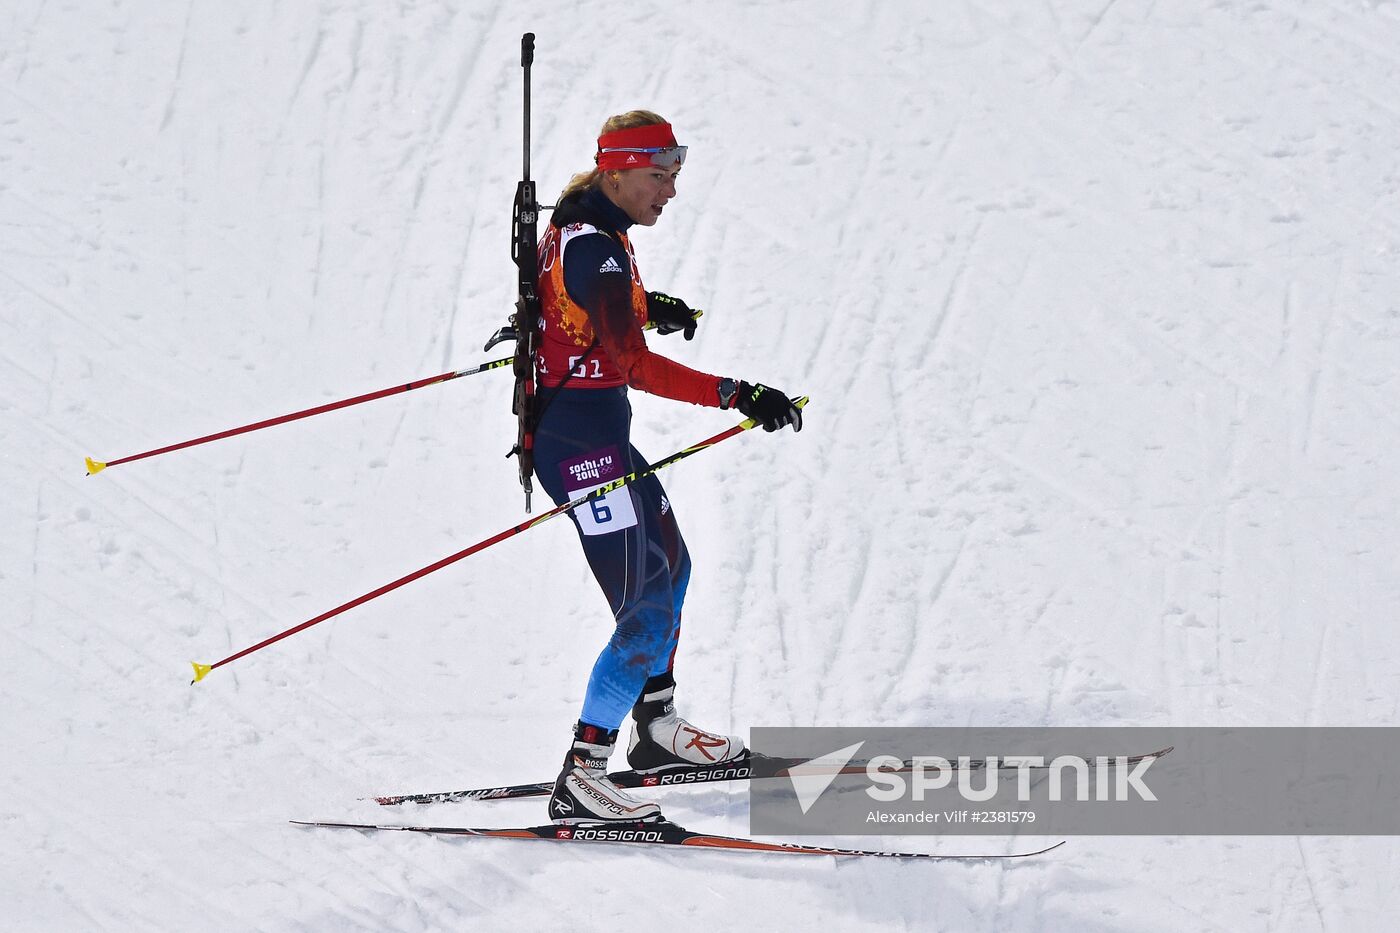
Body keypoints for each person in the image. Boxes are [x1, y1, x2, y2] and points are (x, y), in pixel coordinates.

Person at [532, 110, 802, 825]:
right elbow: (631, 364)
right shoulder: (598, 248)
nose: (671, 191)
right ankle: (584, 772)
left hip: (598, 437)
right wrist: (737, 394)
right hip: (581, 450)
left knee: (673, 570)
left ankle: (655, 730)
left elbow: (589, 311)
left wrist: (651, 306)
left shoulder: (593, 227)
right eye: (660, 176)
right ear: (617, 172)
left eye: (675, 175)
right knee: (645, 609)